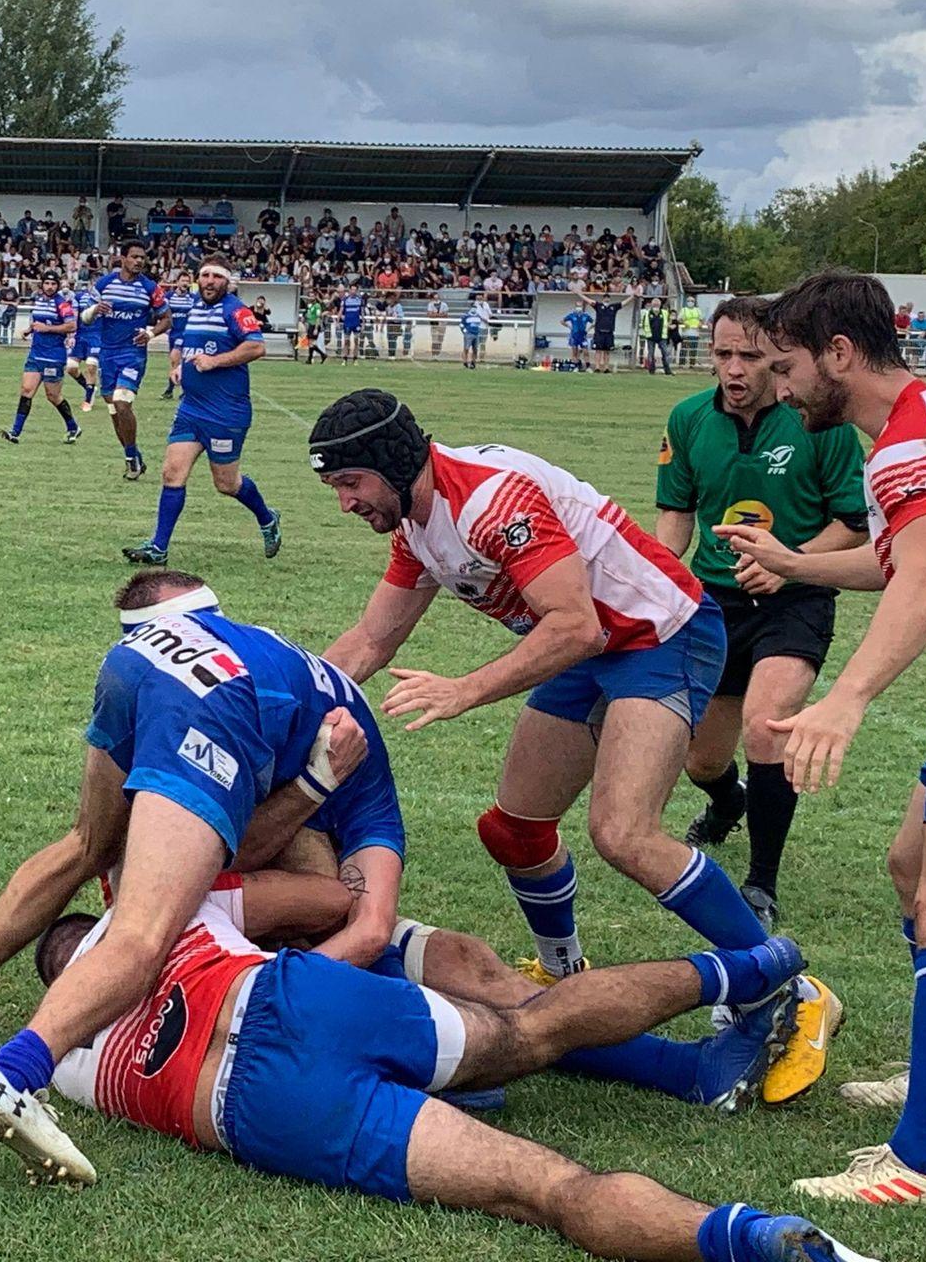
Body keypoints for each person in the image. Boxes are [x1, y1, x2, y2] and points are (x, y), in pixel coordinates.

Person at [308, 391, 811, 1048]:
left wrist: (464, 689)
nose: (345, 502)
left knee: (624, 833)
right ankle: (562, 973)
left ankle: (786, 986)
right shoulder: (415, 523)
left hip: (659, 634)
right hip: (589, 644)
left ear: (394, 462)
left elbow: (575, 625)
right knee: (514, 830)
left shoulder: (493, 501)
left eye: (351, 482)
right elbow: (372, 638)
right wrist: (295, 699)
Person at [8, 885, 873, 1262]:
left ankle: (745, 1239)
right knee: (531, 1027)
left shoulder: (68, 1058)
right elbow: (324, 902)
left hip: (258, 1109)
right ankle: (749, 967)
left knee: (546, 1189)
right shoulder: (166, 915)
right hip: (293, 997)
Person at [0, 570, 379, 1179]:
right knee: (140, 937)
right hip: (219, 703)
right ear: (211, 612)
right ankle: (13, 1078)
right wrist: (315, 785)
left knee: (84, 845)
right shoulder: (271, 661)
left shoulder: (142, 647)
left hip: (134, 674)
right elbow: (340, 905)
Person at [720, 269, 926, 1207]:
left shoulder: (910, 447)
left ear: (838, 354)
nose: (781, 387)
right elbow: (902, 559)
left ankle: (922, 1164)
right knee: (912, 869)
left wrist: (844, 699)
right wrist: (796, 563)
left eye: (787, 366)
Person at [654, 296, 866, 1102]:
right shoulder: (687, 419)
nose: (736, 371)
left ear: (778, 359)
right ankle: (728, 802)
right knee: (701, 757)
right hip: (714, 602)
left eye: (750, 357)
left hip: (795, 596)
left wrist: (789, 560)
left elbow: (853, 524)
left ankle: (762, 879)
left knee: (768, 728)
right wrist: (659, 582)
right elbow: (676, 515)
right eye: (724, 356)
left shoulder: (820, 421)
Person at [123, 262, 281, 564]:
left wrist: (215, 361)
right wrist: (181, 367)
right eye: (205, 275)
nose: (210, 281)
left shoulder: (235, 310)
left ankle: (267, 518)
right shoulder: (196, 306)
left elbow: (256, 347)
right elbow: (190, 343)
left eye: (217, 276)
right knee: (172, 472)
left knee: (226, 484)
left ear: (227, 282)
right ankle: (158, 548)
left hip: (226, 413)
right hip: (191, 408)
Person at [84, 239, 170, 481]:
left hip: (133, 354)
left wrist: (150, 334)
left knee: (122, 402)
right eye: (134, 257)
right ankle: (134, 455)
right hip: (107, 354)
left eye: (142, 257)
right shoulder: (104, 284)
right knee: (114, 408)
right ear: (122, 259)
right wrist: (95, 310)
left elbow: (167, 319)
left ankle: (131, 460)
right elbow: (85, 317)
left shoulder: (150, 287)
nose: (139, 261)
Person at [0, 271, 82, 445]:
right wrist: (30, 329)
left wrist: (47, 328)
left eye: (53, 284)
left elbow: (72, 325)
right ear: (42, 285)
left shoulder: (62, 304)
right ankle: (15, 432)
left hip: (54, 356)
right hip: (36, 354)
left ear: (57, 286)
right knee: (26, 390)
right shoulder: (39, 300)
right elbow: (38, 321)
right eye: (47, 283)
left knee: (53, 396)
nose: (50, 287)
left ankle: (73, 427)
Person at [64, 275, 102, 410]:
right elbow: (73, 316)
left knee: (91, 366)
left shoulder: (107, 300)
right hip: (81, 336)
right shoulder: (80, 297)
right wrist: (70, 336)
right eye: (95, 283)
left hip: (97, 336)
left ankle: (88, 400)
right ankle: (89, 388)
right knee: (71, 367)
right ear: (91, 284)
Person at [161, 273, 195, 399]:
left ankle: (179, 391)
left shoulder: (193, 298)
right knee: (174, 362)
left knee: (183, 362)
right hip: (173, 334)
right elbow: (163, 314)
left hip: (185, 334)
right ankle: (172, 390)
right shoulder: (169, 297)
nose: (185, 283)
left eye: (187, 281)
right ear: (177, 282)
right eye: (183, 281)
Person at [645, 299, 674, 375]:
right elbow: (645, 324)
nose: (656, 306)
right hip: (650, 337)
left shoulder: (665, 313)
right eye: (654, 304)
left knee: (665, 353)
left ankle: (667, 370)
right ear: (652, 305)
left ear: (660, 305)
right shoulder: (647, 313)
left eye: (657, 304)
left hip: (662, 337)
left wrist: (669, 325)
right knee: (651, 354)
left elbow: (669, 321)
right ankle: (651, 370)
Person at [562, 299, 591, 368]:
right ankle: (576, 366)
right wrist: (569, 326)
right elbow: (562, 321)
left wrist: (588, 329)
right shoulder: (572, 315)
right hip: (574, 335)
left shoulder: (586, 315)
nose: (579, 307)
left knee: (585, 351)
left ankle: (587, 366)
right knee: (574, 351)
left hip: (583, 336)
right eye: (577, 306)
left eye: (580, 306)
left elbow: (594, 322)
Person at [340, 284, 366, 363]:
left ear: (357, 291)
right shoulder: (345, 299)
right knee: (346, 341)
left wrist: (363, 324)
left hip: (356, 323)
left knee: (356, 341)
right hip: (347, 323)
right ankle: (345, 358)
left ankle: (355, 359)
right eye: (352, 289)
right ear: (349, 290)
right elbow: (341, 310)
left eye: (355, 290)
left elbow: (362, 313)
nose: (353, 291)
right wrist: (338, 320)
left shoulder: (360, 300)